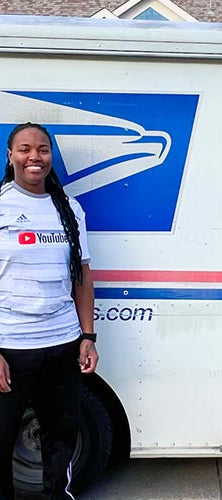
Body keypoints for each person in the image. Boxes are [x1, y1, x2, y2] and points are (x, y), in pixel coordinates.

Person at [0, 123, 98, 500]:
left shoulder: (68, 209)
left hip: (61, 342)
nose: (34, 157)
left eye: (42, 149)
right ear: (10, 156)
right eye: (24, 149)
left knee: (61, 439)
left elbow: (82, 275)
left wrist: (87, 336)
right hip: (10, 346)